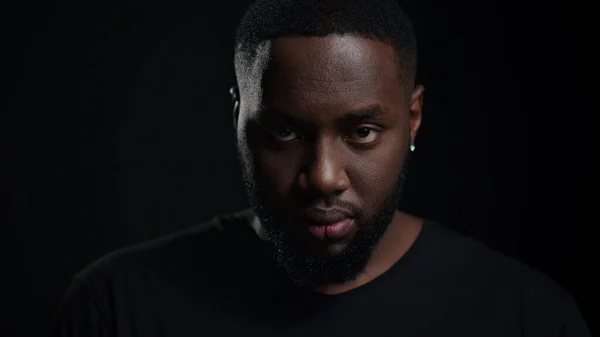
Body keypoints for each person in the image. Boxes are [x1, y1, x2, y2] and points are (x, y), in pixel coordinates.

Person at [50, 0, 591, 336]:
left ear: (414, 118)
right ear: (239, 118)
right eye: (285, 132)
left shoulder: (527, 318)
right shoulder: (116, 311)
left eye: (362, 132)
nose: (324, 176)